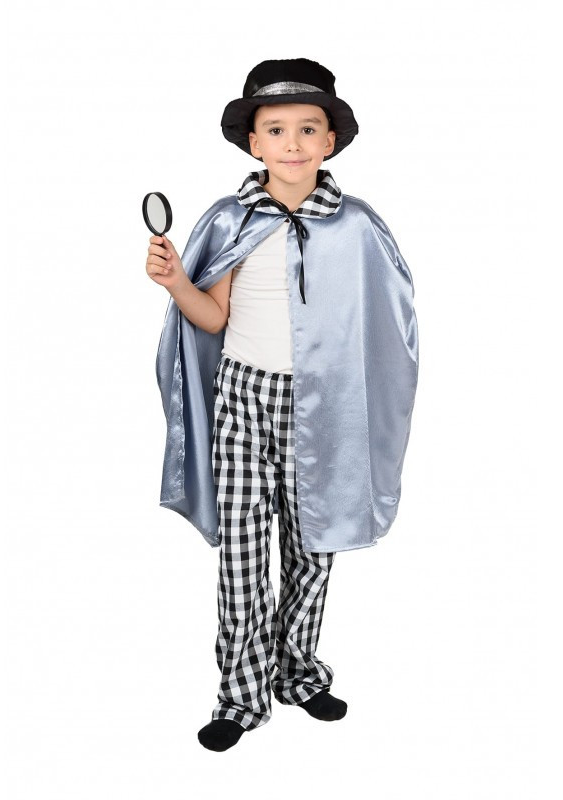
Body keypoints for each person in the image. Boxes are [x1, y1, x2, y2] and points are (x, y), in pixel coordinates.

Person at [146, 58, 419, 752]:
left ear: (330, 140)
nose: (292, 143)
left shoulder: (357, 226)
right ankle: (240, 695)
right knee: (242, 555)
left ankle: (298, 672)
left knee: (311, 549)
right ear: (253, 142)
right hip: (243, 400)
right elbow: (212, 317)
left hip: (325, 408)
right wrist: (177, 282)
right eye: (275, 130)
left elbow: (387, 322)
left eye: (307, 128)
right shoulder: (231, 219)